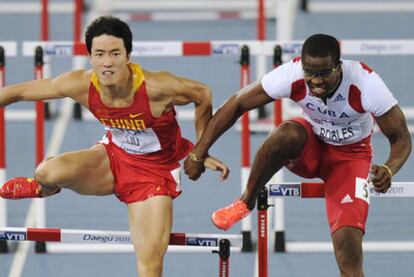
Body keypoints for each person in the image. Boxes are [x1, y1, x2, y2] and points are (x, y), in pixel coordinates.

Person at [0, 16, 229, 277]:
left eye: (115, 54)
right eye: (99, 54)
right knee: (46, 172)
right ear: (90, 56)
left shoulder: (155, 87)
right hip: (111, 158)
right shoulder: (81, 84)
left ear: (128, 55)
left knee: (149, 266)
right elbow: (17, 92)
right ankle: (44, 189)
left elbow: (203, 93)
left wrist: (200, 150)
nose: (107, 62)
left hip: (154, 173)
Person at [184, 34, 411, 276]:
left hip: (351, 159)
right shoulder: (291, 74)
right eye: (310, 72)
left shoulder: (366, 84)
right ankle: (245, 202)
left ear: (339, 67)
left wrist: (389, 168)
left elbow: (401, 138)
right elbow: (237, 103)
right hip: (310, 148)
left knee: (348, 252)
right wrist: (198, 153)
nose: (315, 81)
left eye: (324, 73)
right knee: (286, 133)